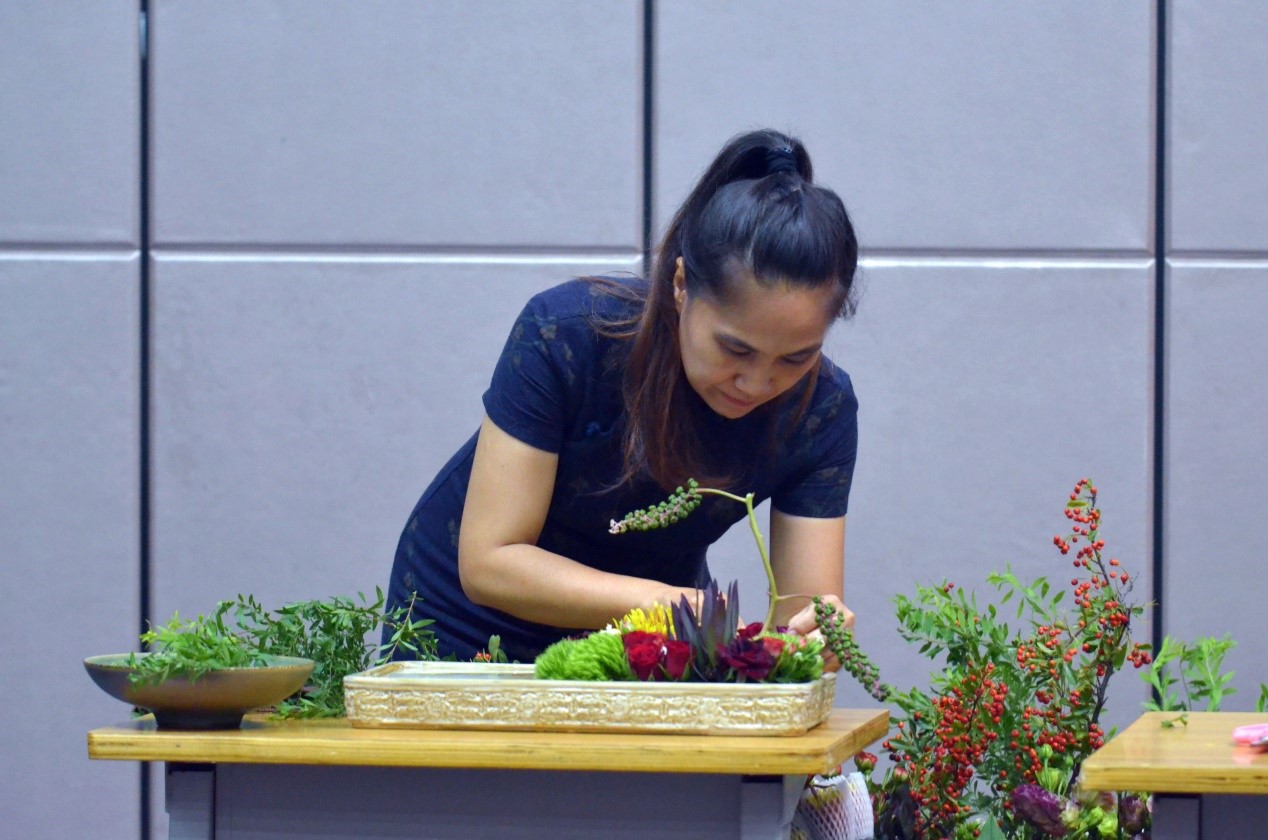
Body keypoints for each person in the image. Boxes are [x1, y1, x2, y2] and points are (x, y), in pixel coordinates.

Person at [385, 128, 860, 666]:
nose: (755, 383)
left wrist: (815, 639)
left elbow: (798, 621)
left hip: (645, 638)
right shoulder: (569, 334)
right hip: (465, 627)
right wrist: (668, 603)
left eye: (795, 359)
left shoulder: (822, 409)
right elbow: (490, 561)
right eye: (734, 349)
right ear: (681, 284)